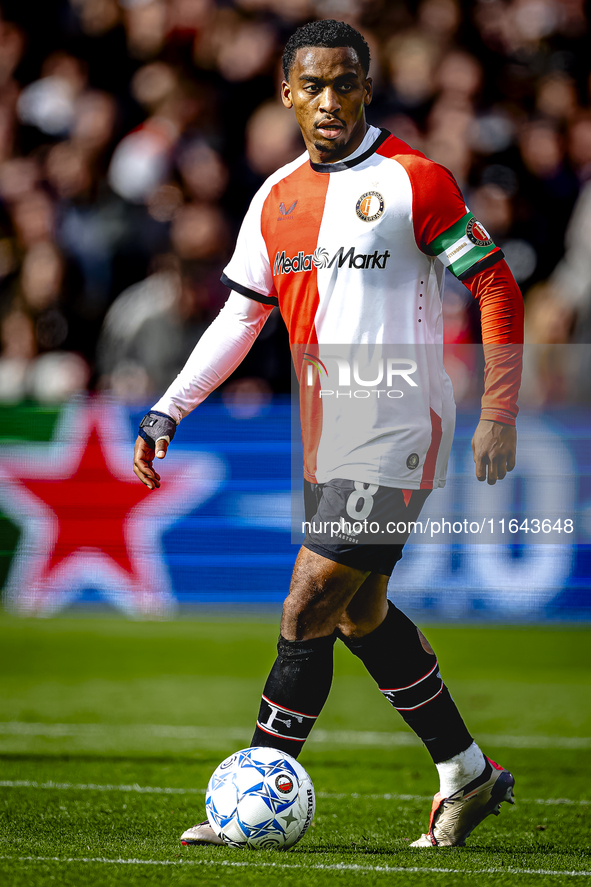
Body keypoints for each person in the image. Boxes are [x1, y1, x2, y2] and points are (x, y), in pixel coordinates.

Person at [133, 20, 523, 849]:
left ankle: (250, 799)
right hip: (327, 433)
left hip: (400, 425)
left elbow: (493, 284)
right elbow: (240, 317)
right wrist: (170, 406)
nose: (329, 100)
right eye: (312, 85)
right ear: (286, 94)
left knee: (308, 599)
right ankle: (466, 771)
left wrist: (498, 408)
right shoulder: (275, 198)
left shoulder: (414, 181)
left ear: (365, 89)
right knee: (358, 615)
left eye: (345, 83)